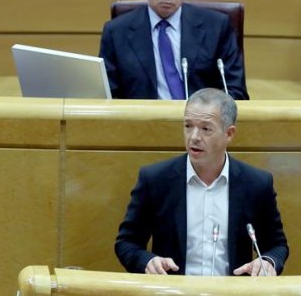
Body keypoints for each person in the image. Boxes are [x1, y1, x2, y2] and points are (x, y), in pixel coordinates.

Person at [115, 88, 288, 276]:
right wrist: (147, 261)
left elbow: (276, 246)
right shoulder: (156, 180)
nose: (194, 137)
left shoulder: (256, 184)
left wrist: (268, 262)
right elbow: (126, 243)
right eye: (188, 126)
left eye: (205, 128)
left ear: (229, 134)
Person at [99, 0, 249, 100]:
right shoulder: (116, 32)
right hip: (142, 122)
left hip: (201, 122)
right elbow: (107, 96)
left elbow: (235, 92)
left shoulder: (217, 27)